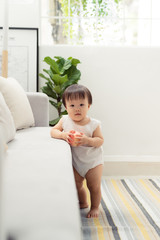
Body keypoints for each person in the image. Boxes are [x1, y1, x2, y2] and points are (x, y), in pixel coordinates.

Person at [50, 84, 104, 218]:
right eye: (72, 106)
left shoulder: (94, 124)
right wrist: (63, 135)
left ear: (89, 106)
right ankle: (83, 202)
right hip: (76, 161)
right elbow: (53, 131)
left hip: (93, 162)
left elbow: (100, 140)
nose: (77, 109)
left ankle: (95, 207)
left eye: (81, 104)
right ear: (66, 107)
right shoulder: (65, 120)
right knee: (77, 184)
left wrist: (87, 140)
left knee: (94, 186)